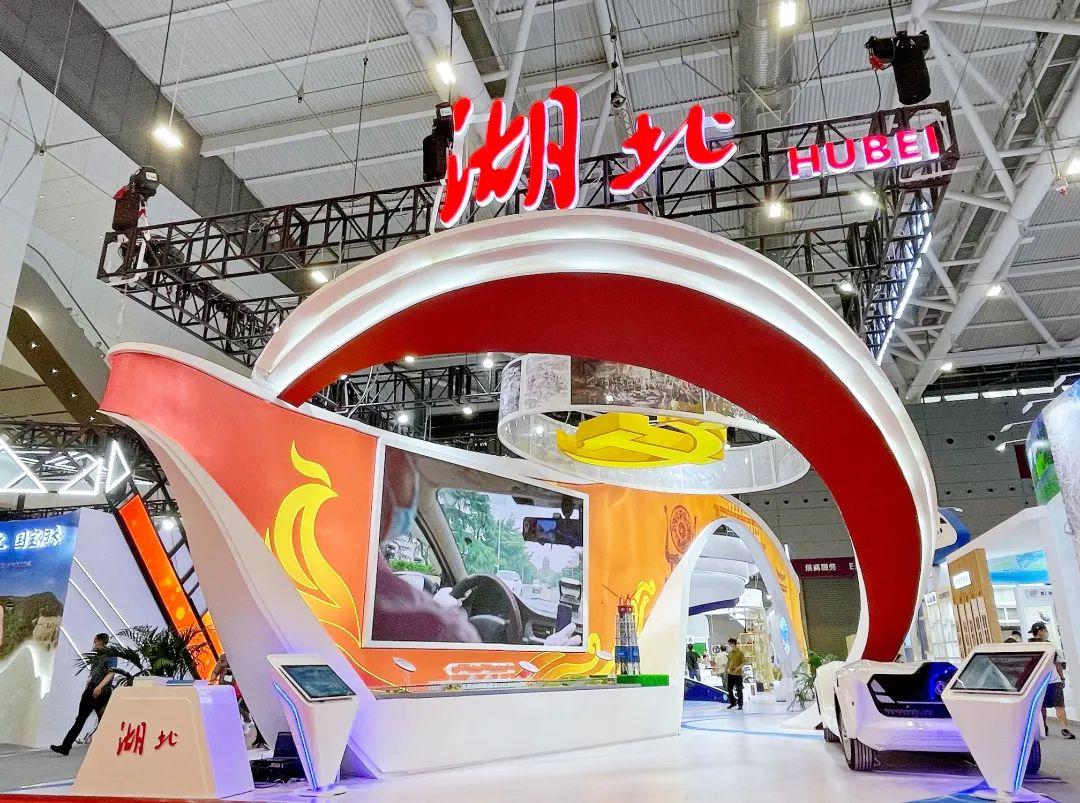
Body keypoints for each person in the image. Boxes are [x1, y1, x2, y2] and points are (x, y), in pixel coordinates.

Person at [51, 633, 116, 756]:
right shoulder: (96, 655)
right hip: (90, 691)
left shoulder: (111, 655)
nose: (94, 643)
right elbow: (94, 673)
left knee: (104, 720)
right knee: (80, 719)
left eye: (95, 641)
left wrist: (99, 687)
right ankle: (65, 747)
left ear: (99, 641)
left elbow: (111, 673)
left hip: (103, 692)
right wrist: (89, 686)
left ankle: (109, 748)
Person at [1029, 622, 1075, 739]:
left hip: (1040, 681)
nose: (1046, 633)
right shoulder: (1049, 646)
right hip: (1051, 680)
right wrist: (1062, 678)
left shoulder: (1030, 647)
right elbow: (1057, 664)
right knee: (1058, 705)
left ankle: (1046, 727)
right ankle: (1062, 729)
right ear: (1040, 631)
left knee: (1043, 706)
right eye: (1045, 630)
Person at [725, 637, 746, 710]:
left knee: (739, 689)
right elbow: (729, 662)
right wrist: (726, 669)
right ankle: (733, 702)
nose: (729, 645)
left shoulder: (740, 652)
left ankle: (740, 704)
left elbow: (744, 662)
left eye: (730, 644)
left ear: (733, 644)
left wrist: (738, 668)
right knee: (729, 689)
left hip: (738, 674)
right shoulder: (730, 653)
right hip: (730, 674)